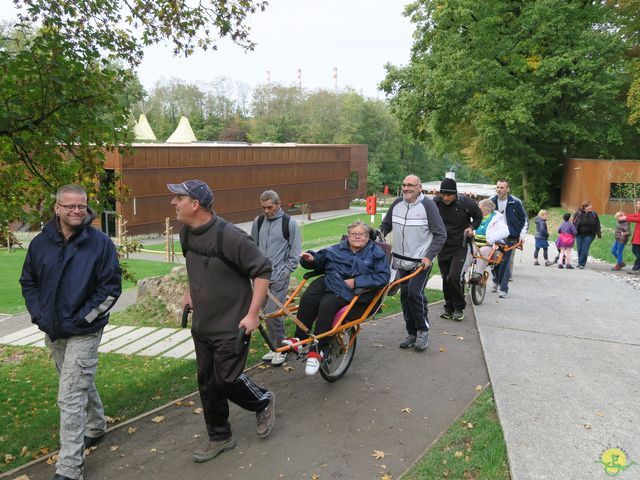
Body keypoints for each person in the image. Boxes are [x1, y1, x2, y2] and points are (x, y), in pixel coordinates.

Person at [168, 179, 275, 464]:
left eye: (178, 198)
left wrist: (253, 314)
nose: (173, 203)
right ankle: (220, 436)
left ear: (195, 204)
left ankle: (263, 401)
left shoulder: (231, 236)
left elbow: (263, 271)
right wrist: (191, 292)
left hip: (232, 325)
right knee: (207, 382)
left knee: (226, 379)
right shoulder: (186, 233)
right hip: (202, 324)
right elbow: (195, 267)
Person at [20, 184, 122, 480]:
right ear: (57, 208)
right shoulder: (41, 243)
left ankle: (69, 467)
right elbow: (29, 282)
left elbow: (110, 289)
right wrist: (39, 315)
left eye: (81, 206)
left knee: (70, 395)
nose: (77, 211)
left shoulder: (100, 243)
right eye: (70, 206)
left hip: (85, 330)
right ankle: (95, 426)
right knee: (77, 382)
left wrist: (83, 319)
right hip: (52, 329)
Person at [291, 220, 390, 375]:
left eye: (361, 234)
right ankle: (299, 339)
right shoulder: (337, 249)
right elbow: (319, 259)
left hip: (352, 290)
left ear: (367, 236)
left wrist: (356, 281)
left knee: (326, 304)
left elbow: (383, 277)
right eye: (353, 234)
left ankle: (317, 349)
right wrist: (309, 259)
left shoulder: (375, 253)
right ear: (348, 236)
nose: (357, 236)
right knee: (309, 296)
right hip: (331, 281)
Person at [379, 174, 446, 351]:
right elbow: (386, 225)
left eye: (410, 185)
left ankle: (423, 331)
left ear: (419, 187)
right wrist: (379, 234)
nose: (406, 188)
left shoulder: (428, 205)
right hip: (400, 261)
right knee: (405, 296)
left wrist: (428, 257)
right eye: (404, 185)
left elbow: (441, 234)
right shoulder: (397, 204)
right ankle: (411, 333)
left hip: (420, 262)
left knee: (414, 294)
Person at [250, 190, 301, 366]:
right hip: (259, 278)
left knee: (273, 314)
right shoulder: (258, 222)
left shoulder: (289, 223)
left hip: (279, 277)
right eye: (263, 207)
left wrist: (285, 272)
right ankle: (274, 348)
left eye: (270, 207)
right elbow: (253, 247)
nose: (266, 211)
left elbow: (295, 253)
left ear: (278, 204)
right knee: (265, 314)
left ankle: (282, 348)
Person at [433, 178, 482, 321]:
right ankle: (449, 308)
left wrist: (471, 227)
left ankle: (459, 307)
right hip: (443, 245)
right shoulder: (436, 202)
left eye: (449, 195)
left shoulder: (465, 203)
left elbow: (478, 217)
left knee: (453, 277)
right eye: (444, 194)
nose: (446, 198)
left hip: (460, 245)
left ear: (455, 193)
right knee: (445, 278)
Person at [490, 179, 527, 298]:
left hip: (511, 237)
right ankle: (495, 279)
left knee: (505, 261)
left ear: (507, 189)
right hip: (495, 236)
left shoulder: (515, 202)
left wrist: (521, 236)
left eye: (502, 187)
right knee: (494, 261)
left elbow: (524, 219)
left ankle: (503, 288)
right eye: (498, 187)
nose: (499, 190)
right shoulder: (491, 201)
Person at [469, 199, 510, 283]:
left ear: (486, 210)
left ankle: (478, 274)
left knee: (483, 251)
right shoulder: (476, 218)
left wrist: (491, 239)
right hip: (475, 243)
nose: (477, 210)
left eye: (479, 208)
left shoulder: (496, 219)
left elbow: (506, 231)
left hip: (489, 246)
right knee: (466, 250)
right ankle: (461, 272)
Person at [571, 200, 601, 269]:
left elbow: (597, 224)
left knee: (585, 249)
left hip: (589, 235)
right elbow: (574, 222)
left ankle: (582, 264)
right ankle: (579, 263)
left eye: (591, 205)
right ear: (585, 207)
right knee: (579, 249)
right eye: (589, 206)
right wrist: (573, 232)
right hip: (579, 234)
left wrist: (598, 234)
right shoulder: (578, 213)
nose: (591, 207)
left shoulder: (594, 214)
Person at [618, 199, 640, 274]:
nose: (637, 205)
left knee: (639, 254)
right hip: (637, 238)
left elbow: (637, 219)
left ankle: (636, 269)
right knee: (634, 251)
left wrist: (625, 218)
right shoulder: (638, 213)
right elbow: (634, 216)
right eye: (637, 204)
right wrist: (624, 215)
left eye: (639, 204)